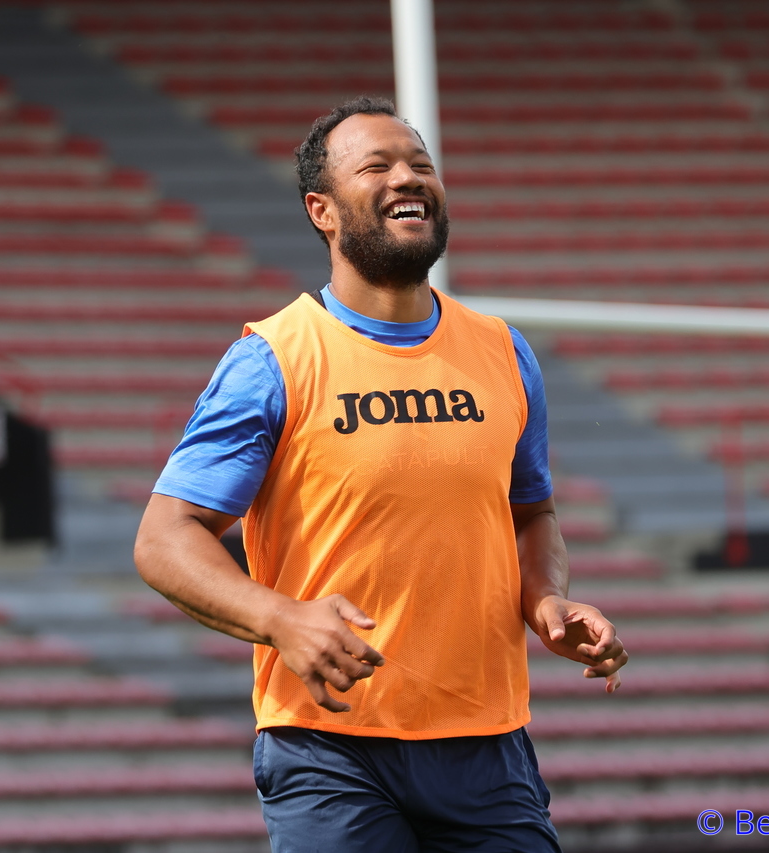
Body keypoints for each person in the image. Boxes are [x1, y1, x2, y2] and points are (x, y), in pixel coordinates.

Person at [134, 96, 628, 853]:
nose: (409, 177)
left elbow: (532, 513)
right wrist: (280, 619)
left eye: (421, 164)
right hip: (329, 748)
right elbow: (164, 539)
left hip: (488, 746)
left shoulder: (503, 350)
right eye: (378, 167)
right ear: (322, 211)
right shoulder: (273, 359)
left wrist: (545, 598)